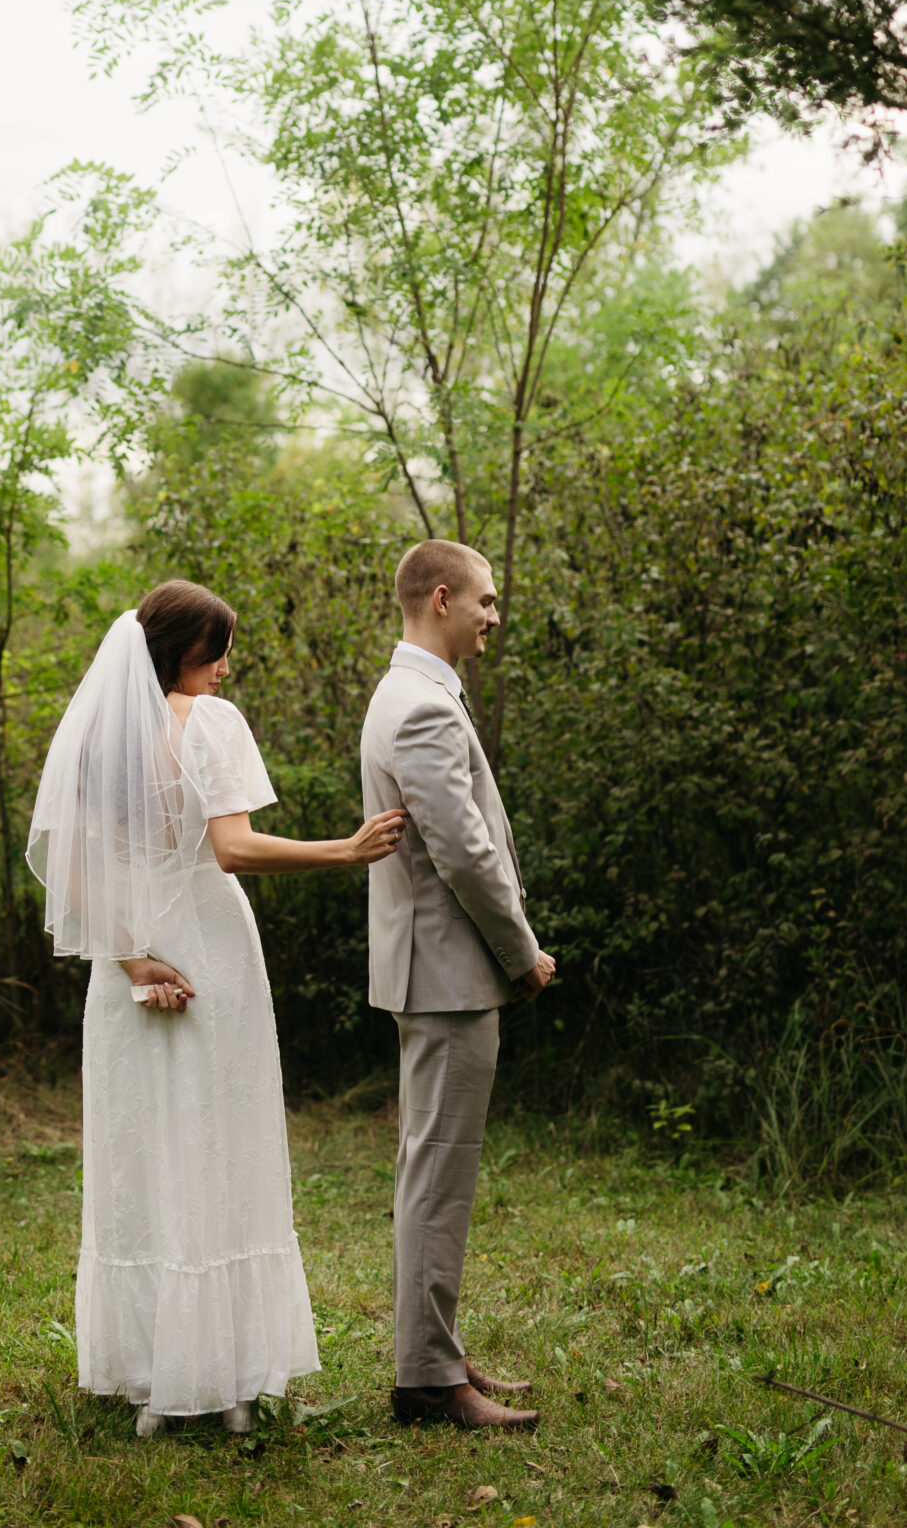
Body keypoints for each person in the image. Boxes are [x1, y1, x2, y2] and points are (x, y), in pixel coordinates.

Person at [26, 579, 405, 1438]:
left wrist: (131, 962)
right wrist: (343, 850)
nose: (226, 668)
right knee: (217, 1141)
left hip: (130, 961)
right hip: (208, 948)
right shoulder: (213, 725)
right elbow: (231, 849)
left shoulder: (98, 735)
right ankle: (225, 1377)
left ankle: (154, 1374)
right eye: (216, 651)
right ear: (177, 653)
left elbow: (76, 874)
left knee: (144, 1149)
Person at [361, 539, 557, 1431]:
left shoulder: (411, 693)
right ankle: (429, 1384)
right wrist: (520, 953)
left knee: (429, 1173)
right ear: (441, 598)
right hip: (448, 973)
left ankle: (435, 1355)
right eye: (485, 599)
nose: (492, 615)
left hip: (430, 971)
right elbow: (464, 853)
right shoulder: (421, 708)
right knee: (439, 1178)